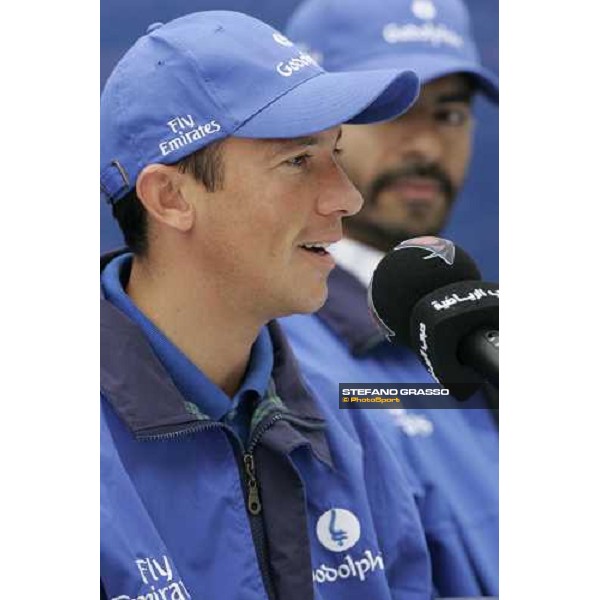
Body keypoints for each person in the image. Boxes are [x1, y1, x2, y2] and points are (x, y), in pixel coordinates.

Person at [100, 11, 433, 600]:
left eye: (336, 153)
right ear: (170, 198)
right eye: (297, 161)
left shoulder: (344, 420)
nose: (347, 198)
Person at [282, 0, 499, 596]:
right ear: (309, 129)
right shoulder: (269, 350)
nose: (426, 146)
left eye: (450, 114)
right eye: (392, 110)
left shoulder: (479, 329)